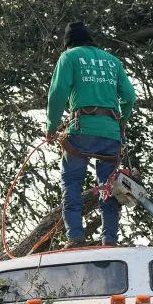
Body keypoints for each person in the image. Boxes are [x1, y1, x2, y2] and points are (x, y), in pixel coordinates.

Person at [46, 21, 136, 248]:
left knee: (72, 183)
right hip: (110, 133)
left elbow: (57, 93)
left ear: (68, 44)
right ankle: (109, 239)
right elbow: (129, 97)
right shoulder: (112, 61)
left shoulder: (69, 57)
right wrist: (121, 122)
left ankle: (75, 237)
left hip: (81, 130)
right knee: (109, 186)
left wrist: (51, 126)